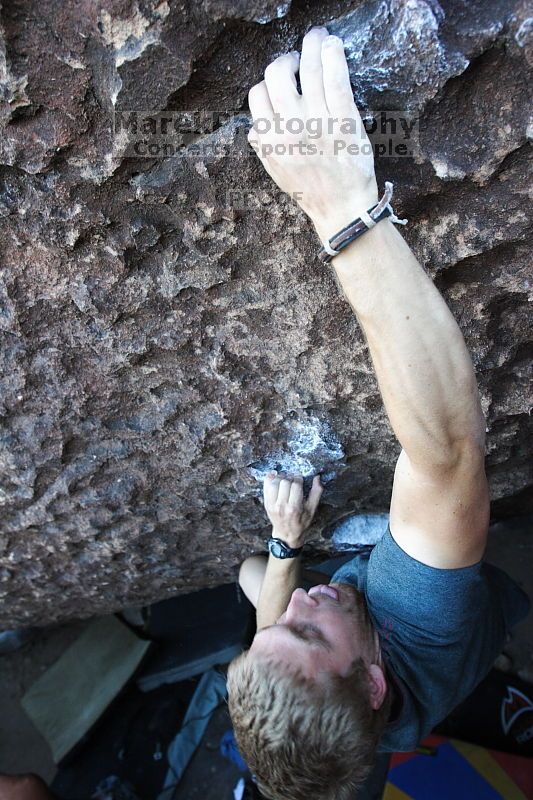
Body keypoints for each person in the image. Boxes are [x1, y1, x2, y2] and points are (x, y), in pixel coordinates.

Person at [226, 25, 530, 800]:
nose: (288, 609)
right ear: (369, 684)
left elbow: (254, 575)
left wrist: (284, 545)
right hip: (474, 597)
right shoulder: (418, 610)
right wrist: (340, 205)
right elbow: (447, 452)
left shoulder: (349, 716)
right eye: (301, 630)